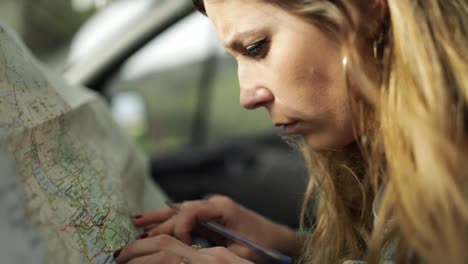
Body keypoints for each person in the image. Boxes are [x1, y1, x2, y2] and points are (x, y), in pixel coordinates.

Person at [113, 0, 468, 263]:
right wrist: (285, 246)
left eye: (256, 47)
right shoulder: (402, 155)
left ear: (365, 10)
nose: (247, 96)